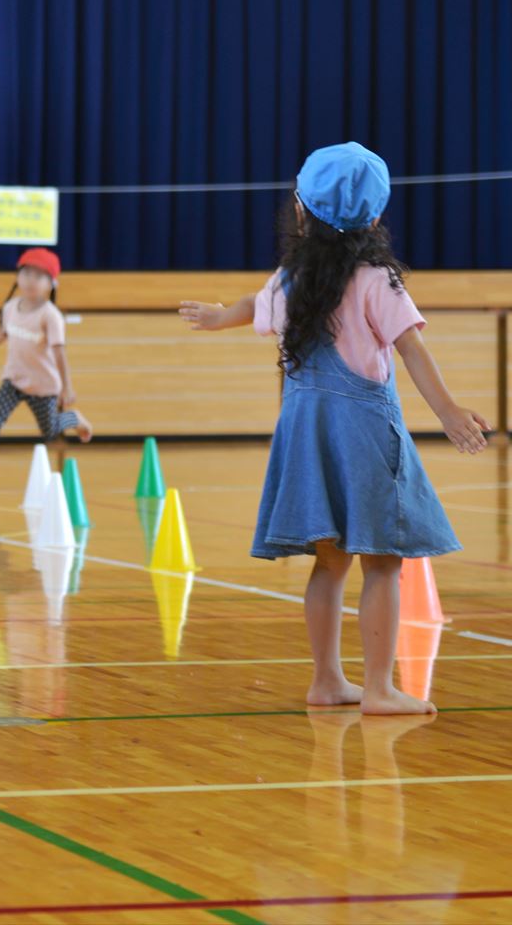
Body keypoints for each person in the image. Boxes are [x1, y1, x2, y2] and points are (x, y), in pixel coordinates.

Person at [179, 142, 489, 716]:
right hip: (364, 432)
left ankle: (327, 681)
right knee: (383, 561)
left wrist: (224, 316)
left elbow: (257, 301)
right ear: (374, 218)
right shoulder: (378, 280)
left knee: (330, 561)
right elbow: (412, 350)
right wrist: (448, 411)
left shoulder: (291, 280)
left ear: (301, 211)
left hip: (305, 430)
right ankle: (378, 689)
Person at [0, 248, 93, 486]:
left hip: (44, 386)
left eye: (40, 276)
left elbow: (60, 353)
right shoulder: (10, 307)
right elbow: (4, 332)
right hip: (14, 379)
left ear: (51, 284)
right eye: (27, 273)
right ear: (17, 276)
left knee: (50, 431)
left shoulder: (51, 316)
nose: (31, 280)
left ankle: (74, 418)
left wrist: (67, 388)